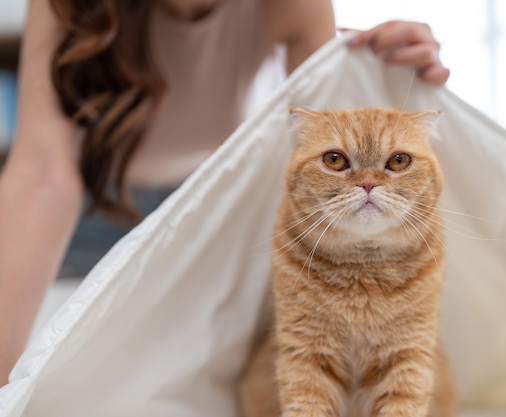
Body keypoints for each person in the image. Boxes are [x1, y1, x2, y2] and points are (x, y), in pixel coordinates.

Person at [0, 0, 450, 385]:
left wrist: (382, 72)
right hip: (93, 207)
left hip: (206, 204)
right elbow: (44, 177)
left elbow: (328, 127)